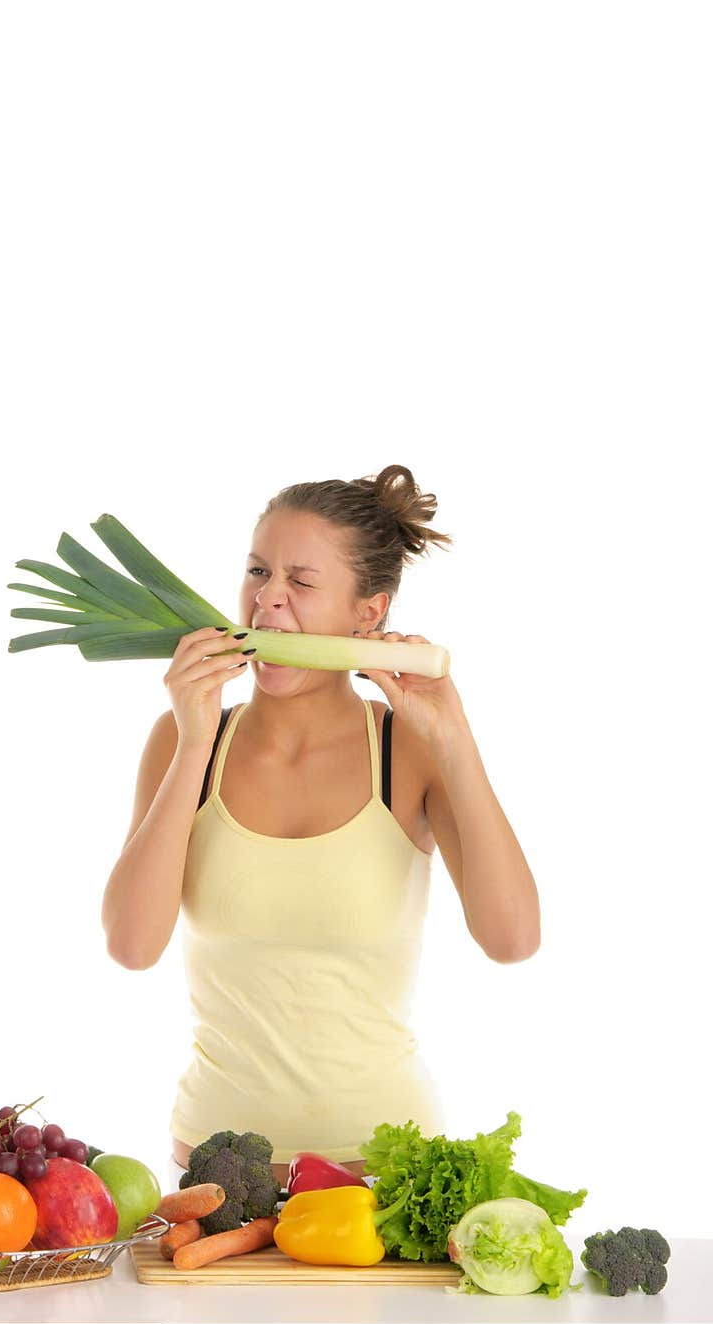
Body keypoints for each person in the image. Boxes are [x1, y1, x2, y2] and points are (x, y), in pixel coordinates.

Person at [101, 465, 541, 1190]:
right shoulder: (185, 741)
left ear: (368, 614)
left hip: (382, 1178)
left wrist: (455, 738)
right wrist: (191, 740)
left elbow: (513, 938)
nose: (267, 598)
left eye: (300, 582)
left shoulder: (410, 749)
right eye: (257, 571)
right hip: (214, 1181)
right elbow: (131, 944)